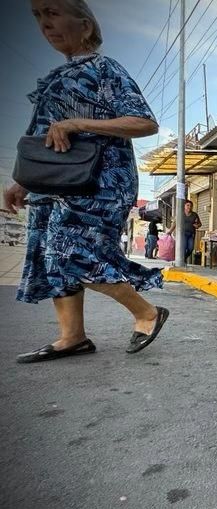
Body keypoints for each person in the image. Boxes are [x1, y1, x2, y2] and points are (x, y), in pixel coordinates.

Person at [5, 0, 169, 363]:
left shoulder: (105, 68)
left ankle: (146, 312)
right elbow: (42, 138)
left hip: (101, 181)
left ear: (86, 26)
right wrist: (22, 181)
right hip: (55, 182)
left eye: (52, 12)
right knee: (48, 252)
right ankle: (72, 336)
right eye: (38, 16)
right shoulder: (55, 77)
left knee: (69, 251)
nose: (44, 23)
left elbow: (144, 122)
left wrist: (79, 123)